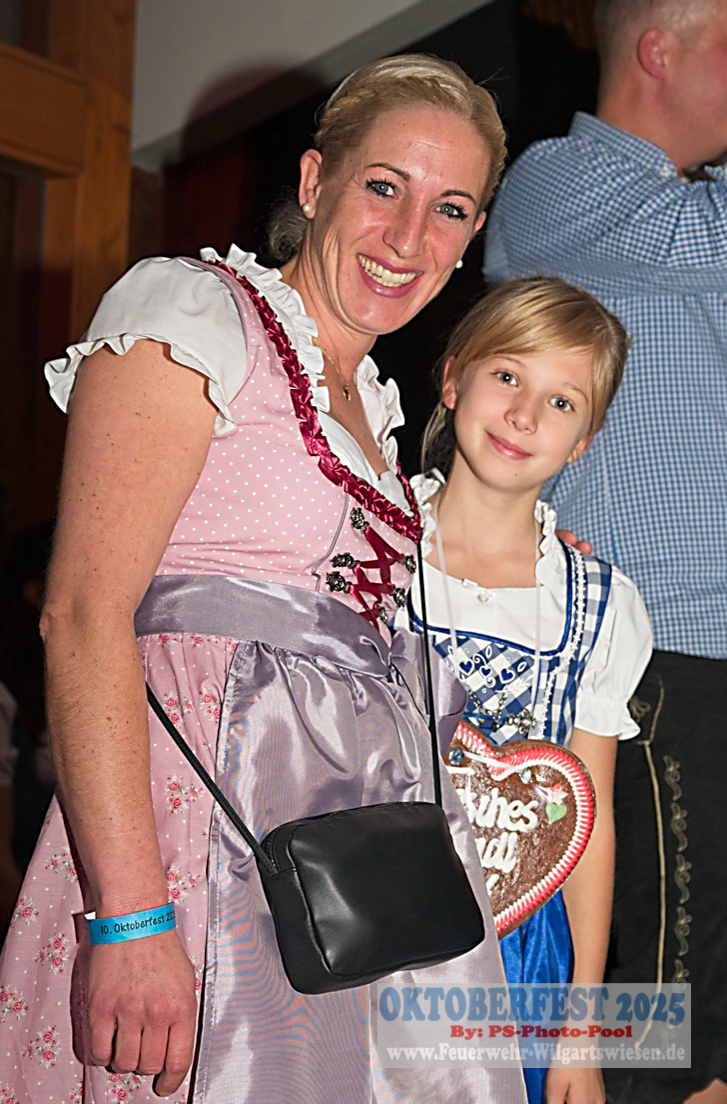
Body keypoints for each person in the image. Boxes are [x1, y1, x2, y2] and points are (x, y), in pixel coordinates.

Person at [0, 55, 530, 1104]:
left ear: (472, 233)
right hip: (204, 834)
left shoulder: (374, 407)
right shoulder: (196, 313)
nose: (407, 237)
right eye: (383, 186)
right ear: (314, 182)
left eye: (449, 209)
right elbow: (83, 612)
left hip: (358, 864)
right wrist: (133, 916)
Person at [484, 2, 727, 1100]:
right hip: (653, 655)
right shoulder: (555, 182)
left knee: (704, 1012)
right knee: (664, 1010)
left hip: (701, 650)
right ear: (656, 49)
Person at [406, 277, 652, 1104]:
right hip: (365, 917)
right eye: (507, 376)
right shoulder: (365, 547)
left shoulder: (597, 605)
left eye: (560, 402)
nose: (522, 415)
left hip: (517, 952)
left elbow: (589, 820)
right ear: (452, 379)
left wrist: (581, 1030)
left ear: (583, 441)